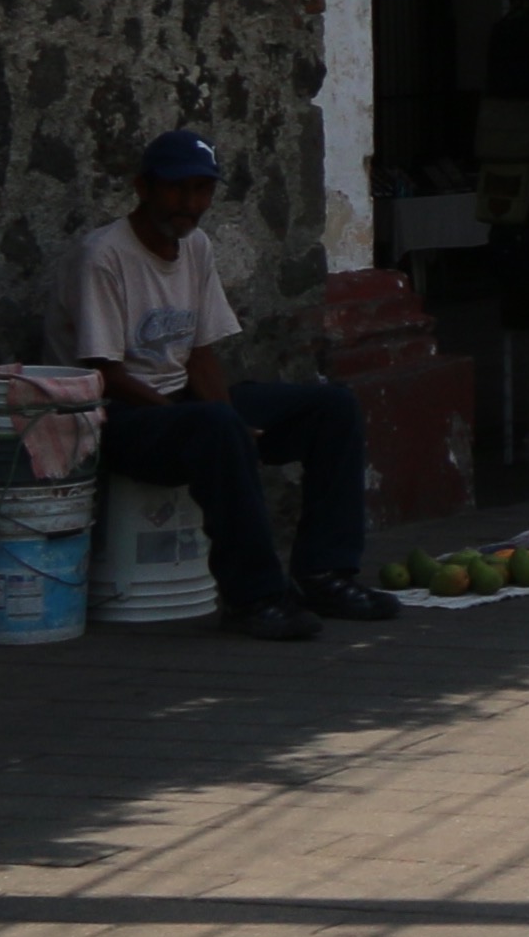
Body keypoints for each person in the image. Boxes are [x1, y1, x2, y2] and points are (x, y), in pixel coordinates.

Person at [74, 130, 388, 641]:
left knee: (332, 408)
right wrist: (204, 419)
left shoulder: (196, 247)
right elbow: (102, 371)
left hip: (186, 407)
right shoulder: (103, 256)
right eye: (177, 190)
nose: (189, 204)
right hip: (119, 417)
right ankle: (255, 598)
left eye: (201, 191)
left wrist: (231, 419)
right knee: (215, 424)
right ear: (143, 188)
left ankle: (326, 574)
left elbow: (200, 354)